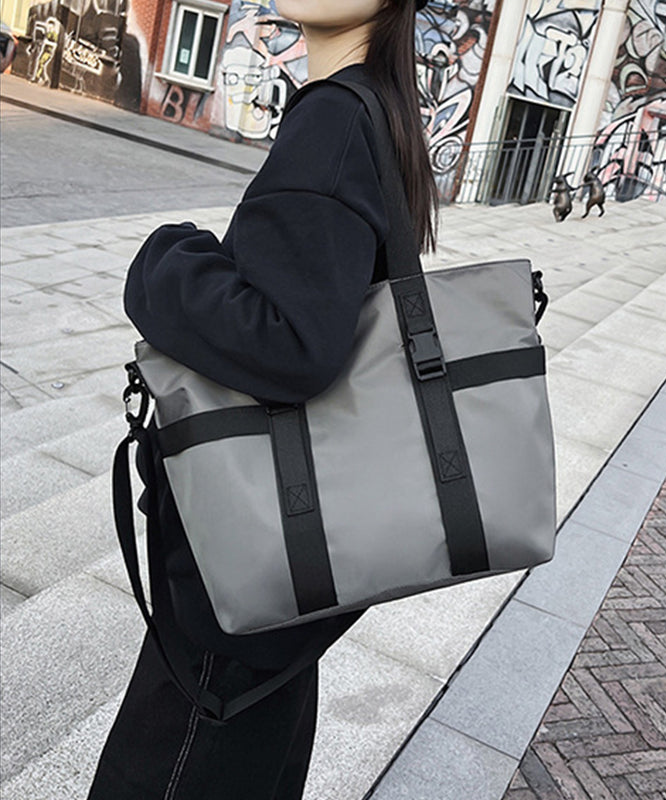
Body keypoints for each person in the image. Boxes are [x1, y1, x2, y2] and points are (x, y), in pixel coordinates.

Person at [87, 0, 437, 797]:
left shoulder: (336, 119)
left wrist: (165, 260)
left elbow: (292, 341)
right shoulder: (380, 111)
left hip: (239, 584)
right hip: (286, 588)